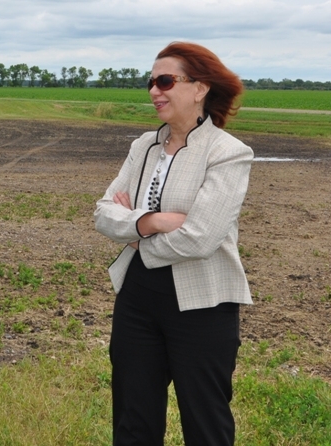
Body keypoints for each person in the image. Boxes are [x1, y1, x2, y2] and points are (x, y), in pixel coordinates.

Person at [94, 41, 253, 446]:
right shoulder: (143, 145)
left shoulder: (227, 153)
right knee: (133, 418)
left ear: (199, 88)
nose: (154, 91)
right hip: (138, 298)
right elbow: (103, 213)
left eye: (165, 81)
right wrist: (154, 221)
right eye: (150, 82)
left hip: (203, 304)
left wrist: (135, 236)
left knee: (206, 423)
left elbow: (201, 237)